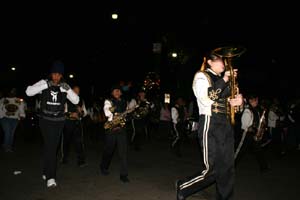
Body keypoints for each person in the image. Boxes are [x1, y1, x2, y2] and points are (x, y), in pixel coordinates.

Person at [175, 50, 244, 200]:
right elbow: (207, 98)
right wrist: (225, 79)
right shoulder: (201, 76)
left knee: (227, 168)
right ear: (210, 62)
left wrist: (239, 103)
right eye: (221, 61)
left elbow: (236, 109)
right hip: (209, 123)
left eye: (225, 61)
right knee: (212, 169)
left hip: (226, 125)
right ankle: (183, 187)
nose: (225, 64)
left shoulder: (226, 80)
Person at [25, 60, 79, 188]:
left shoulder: (64, 85)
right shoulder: (44, 82)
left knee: (51, 147)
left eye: (59, 74)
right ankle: (49, 173)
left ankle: (48, 173)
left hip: (58, 121)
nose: (56, 77)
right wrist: (45, 85)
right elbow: (28, 92)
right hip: (45, 120)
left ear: (61, 75)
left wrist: (68, 89)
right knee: (50, 146)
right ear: (51, 73)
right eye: (54, 74)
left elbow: (76, 100)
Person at [100, 84, 130, 183]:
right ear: (112, 92)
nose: (117, 92)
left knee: (123, 152)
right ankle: (104, 167)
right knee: (109, 150)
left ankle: (124, 174)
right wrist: (113, 113)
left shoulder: (125, 101)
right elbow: (107, 112)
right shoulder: (108, 101)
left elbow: (127, 113)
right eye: (115, 90)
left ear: (121, 92)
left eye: (118, 90)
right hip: (111, 129)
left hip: (122, 128)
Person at [235, 94, 270, 173]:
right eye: (255, 100)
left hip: (254, 134)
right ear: (251, 101)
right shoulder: (248, 110)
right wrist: (252, 128)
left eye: (257, 100)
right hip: (246, 134)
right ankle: (231, 166)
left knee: (258, 150)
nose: (257, 102)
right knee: (240, 151)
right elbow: (244, 125)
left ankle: (264, 167)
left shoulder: (256, 110)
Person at [61, 85, 88, 167]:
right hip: (67, 123)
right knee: (66, 142)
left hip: (77, 123)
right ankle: (64, 158)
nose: (77, 92)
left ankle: (81, 161)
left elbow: (85, 113)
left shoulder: (81, 100)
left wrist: (81, 112)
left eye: (78, 91)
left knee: (79, 142)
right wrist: (71, 114)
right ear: (71, 91)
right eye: (75, 90)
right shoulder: (65, 99)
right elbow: (62, 112)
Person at [0, 88, 26, 152]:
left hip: (15, 119)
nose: (13, 92)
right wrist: (1, 117)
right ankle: (7, 147)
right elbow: (0, 108)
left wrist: (22, 116)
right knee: (8, 131)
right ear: (8, 92)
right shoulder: (3, 99)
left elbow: (21, 108)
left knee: (11, 133)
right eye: (11, 91)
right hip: (5, 118)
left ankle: (8, 146)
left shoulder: (19, 100)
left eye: (14, 91)